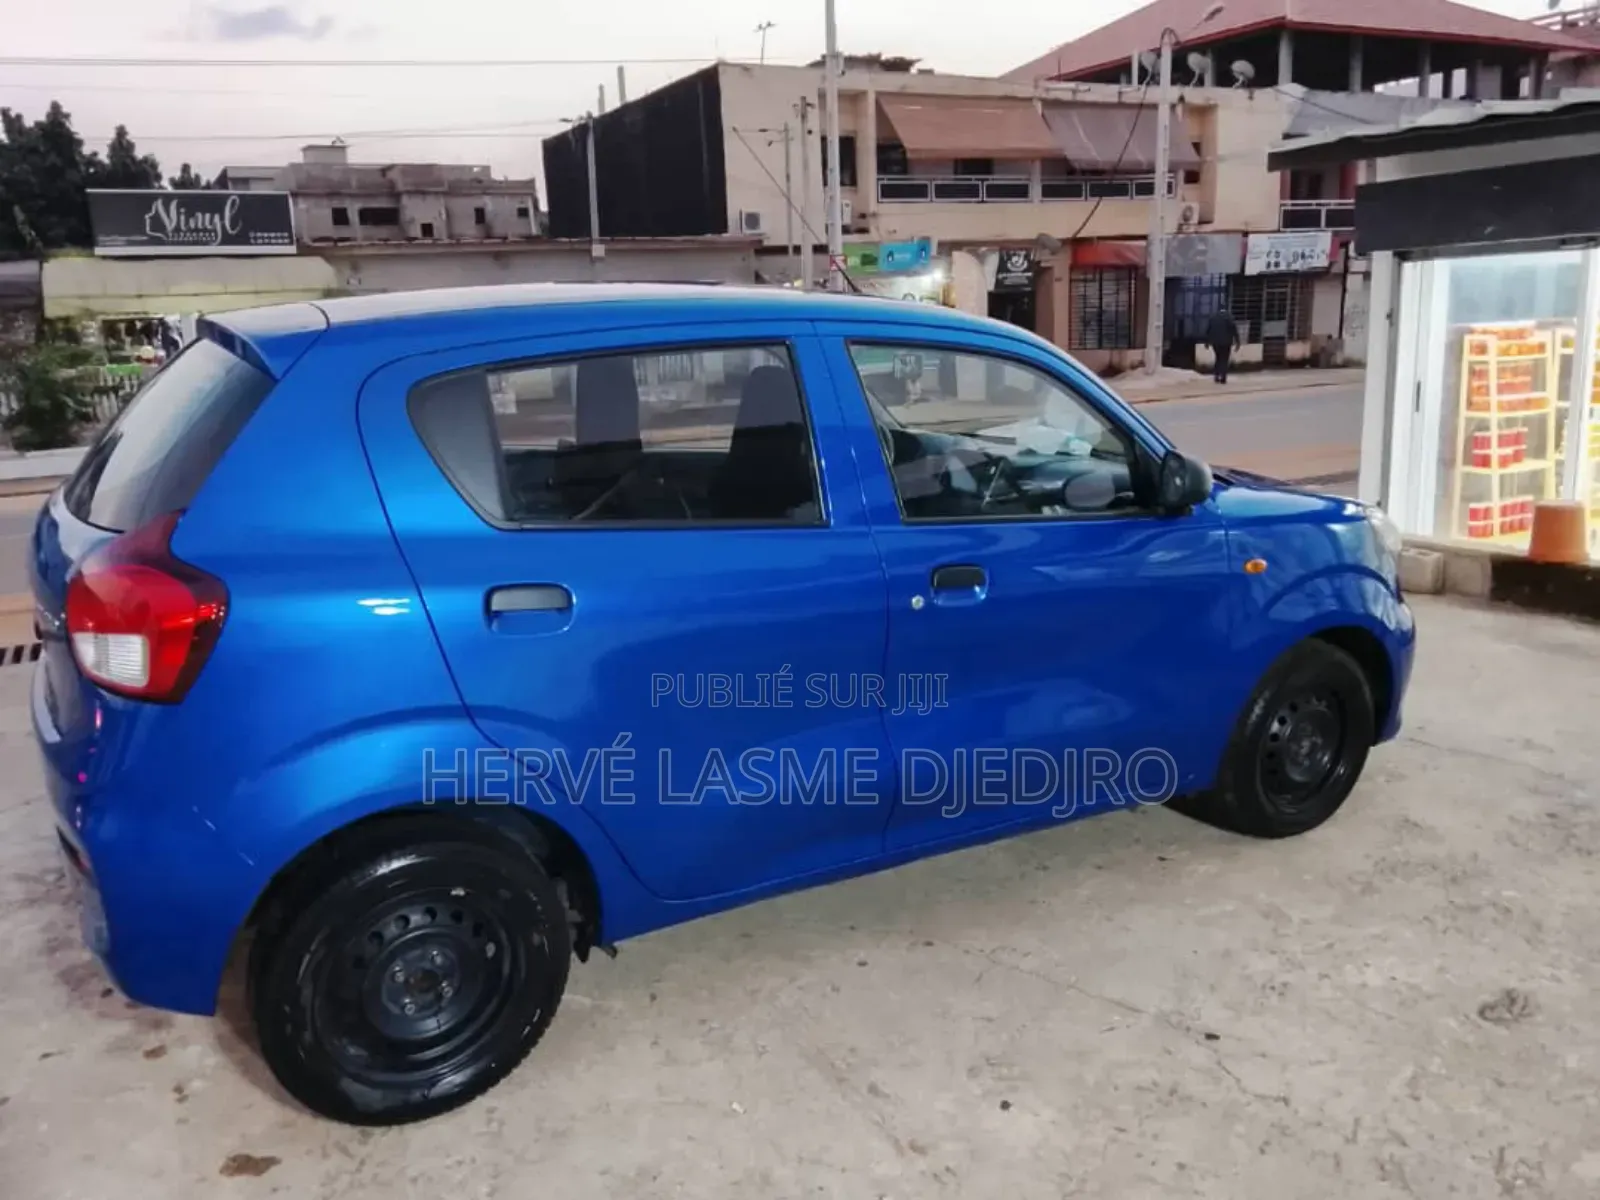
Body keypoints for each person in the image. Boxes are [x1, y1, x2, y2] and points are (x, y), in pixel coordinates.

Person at [1206, 308, 1242, 384]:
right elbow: (1234, 329)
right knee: (1224, 359)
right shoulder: (1229, 317)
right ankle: (1223, 377)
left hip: (1215, 342)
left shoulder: (1213, 317)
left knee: (1218, 358)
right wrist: (1238, 342)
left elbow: (1208, 330)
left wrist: (1207, 342)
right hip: (1226, 342)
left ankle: (1216, 376)